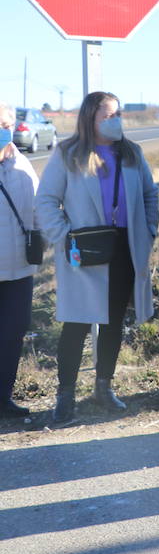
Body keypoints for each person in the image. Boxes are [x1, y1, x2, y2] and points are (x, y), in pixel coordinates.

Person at [37, 92, 159, 425]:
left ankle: (103, 387)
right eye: (107, 115)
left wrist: (148, 229)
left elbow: (150, 193)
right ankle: (65, 396)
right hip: (83, 249)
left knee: (112, 322)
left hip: (124, 247)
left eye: (118, 113)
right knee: (76, 324)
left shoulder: (131, 153)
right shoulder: (68, 153)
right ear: (90, 119)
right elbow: (46, 201)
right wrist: (65, 237)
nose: (115, 120)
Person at [0, 102, 40, 418]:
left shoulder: (23, 165)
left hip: (19, 271)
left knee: (13, 335)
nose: (2, 130)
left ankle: (4, 399)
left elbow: (39, 211)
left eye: (5, 124)